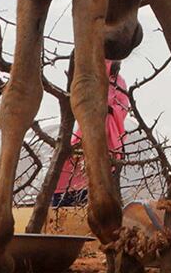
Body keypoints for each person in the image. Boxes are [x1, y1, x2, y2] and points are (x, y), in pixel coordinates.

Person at [51, 64, 128, 208]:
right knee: (68, 167)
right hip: (84, 132)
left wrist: (108, 110)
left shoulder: (119, 83)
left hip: (109, 138)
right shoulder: (88, 78)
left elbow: (123, 107)